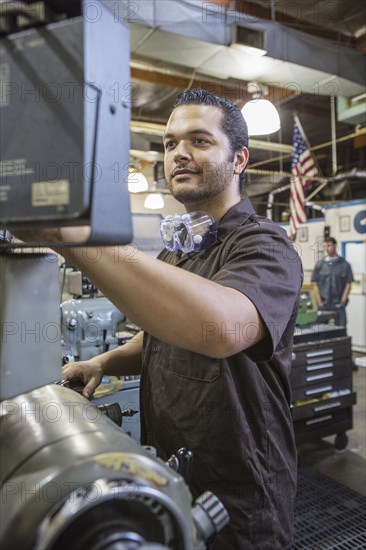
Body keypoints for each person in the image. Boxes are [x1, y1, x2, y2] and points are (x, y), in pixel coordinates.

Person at [17, 88, 303, 549]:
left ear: (240, 159)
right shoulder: (178, 249)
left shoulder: (265, 246)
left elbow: (220, 328)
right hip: (170, 472)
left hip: (240, 491)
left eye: (199, 141)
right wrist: (103, 363)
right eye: (169, 144)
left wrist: (73, 236)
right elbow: (158, 339)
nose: (178, 155)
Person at [312, 236, 354, 328]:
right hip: (323, 305)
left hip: (339, 306)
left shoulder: (345, 265)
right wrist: (319, 302)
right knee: (321, 332)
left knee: (341, 332)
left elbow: (348, 284)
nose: (327, 248)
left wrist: (342, 302)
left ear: (335, 246)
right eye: (325, 246)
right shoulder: (320, 265)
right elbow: (315, 283)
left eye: (329, 245)